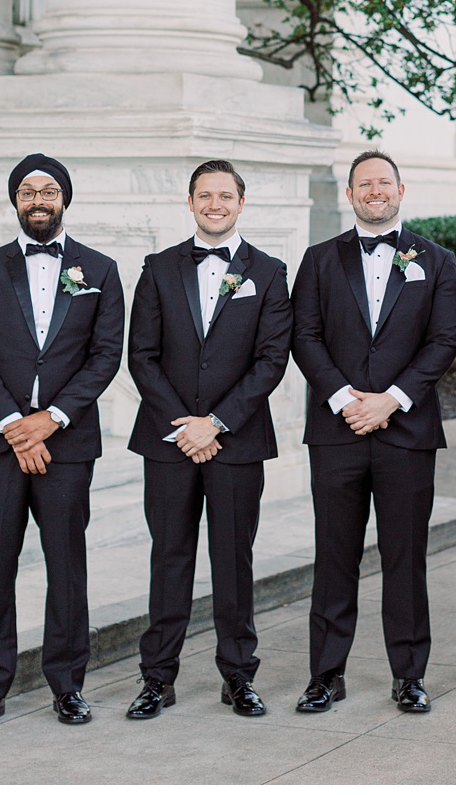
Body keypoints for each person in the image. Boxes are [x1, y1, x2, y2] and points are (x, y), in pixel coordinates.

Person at [0, 153, 126, 730]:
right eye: (27, 191)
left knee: (66, 565)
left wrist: (51, 418)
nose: (38, 199)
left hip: (67, 443)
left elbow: (106, 357)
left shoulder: (99, 270)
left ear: (64, 199)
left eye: (48, 189)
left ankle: (67, 685)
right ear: (15, 201)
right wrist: (14, 425)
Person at [288, 150, 456, 715]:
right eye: (364, 184)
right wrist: (345, 400)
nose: (374, 191)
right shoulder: (318, 260)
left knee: (405, 558)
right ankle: (325, 675)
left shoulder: (435, 261)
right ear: (351, 193)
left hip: (405, 432)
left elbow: (443, 341)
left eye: (383, 182)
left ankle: (409, 675)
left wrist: (391, 400)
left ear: (400, 189)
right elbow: (305, 336)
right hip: (337, 432)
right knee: (333, 556)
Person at [123, 160, 293, 720]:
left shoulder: (268, 273)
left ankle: (238, 677)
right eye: (204, 195)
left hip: (237, 442)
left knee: (233, 560)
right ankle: (157, 679)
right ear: (190, 202)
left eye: (225, 196)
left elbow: (271, 360)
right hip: (168, 441)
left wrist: (216, 423)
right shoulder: (158, 268)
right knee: (169, 557)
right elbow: (142, 356)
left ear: (241, 203)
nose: (215, 204)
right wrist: (184, 425)